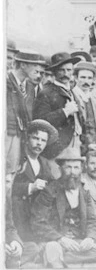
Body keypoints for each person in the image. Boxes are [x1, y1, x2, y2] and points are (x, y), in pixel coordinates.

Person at [30, 147, 96, 267]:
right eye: (68, 167)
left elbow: (92, 220)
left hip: (76, 240)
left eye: (76, 167)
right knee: (53, 246)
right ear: (60, 169)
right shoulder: (50, 191)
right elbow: (38, 221)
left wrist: (90, 238)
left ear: (81, 169)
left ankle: (54, 256)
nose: (72, 172)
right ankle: (53, 253)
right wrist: (59, 238)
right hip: (56, 239)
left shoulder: (84, 191)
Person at [11, 119, 58, 245]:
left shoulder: (43, 163)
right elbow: (6, 187)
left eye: (43, 141)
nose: (39, 144)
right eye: (36, 138)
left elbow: (54, 183)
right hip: (18, 214)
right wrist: (30, 187)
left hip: (35, 215)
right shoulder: (18, 159)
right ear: (27, 138)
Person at [33, 52, 83, 161]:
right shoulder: (46, 93)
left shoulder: (72, 91)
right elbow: (40, 122)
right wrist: (64, 112)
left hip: (76, 141)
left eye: (69, 70)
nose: (66, 74)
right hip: (58, 146)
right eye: (61, 70)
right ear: (54, 72)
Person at [7, 51, 46, 181]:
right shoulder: (6, 83)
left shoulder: (26, 86)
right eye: (35, 65)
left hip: (18, 138)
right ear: (23, 65)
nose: (39, 70)